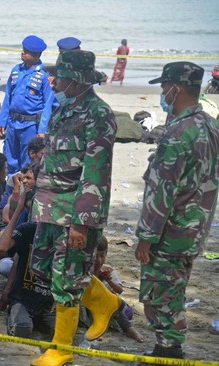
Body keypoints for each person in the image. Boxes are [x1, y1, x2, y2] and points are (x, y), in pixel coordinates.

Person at [29, 50, 120, 366]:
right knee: (41, 267)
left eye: (61, 76)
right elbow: (56, 157)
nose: (54, 81)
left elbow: (95, 171)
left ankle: (62, 348)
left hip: (74, 213)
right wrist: (33, 177)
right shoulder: (62, 111)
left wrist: (82, 222)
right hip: (48, 208)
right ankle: (104, 301)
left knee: (66, 278)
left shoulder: (98, 114)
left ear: (78, 79)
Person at [134, 62, 219, 361]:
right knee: (174, 289)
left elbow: (162, 191)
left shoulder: (177, 133)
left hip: (170, 232)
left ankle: (169, 349)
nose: (161, 93)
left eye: (163, 87)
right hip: (195, 228)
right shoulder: (210, 126)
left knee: (159, 296)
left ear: (176, 88)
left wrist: (146, 237)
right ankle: (169, 346)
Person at [0, 188, 55, 340]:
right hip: (23, 299)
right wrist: (18, 210)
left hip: (49, 302)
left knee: (61, 332)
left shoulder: (62, 235)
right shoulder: (28, 230)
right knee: (22, 329)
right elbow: (2, 248)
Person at [0, 35, 54, 176]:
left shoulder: (44, 75)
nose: (22, 53)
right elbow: (8, 96)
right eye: (23, 50)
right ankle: (10, 188)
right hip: (12, 122)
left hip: (30, 124)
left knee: (27, 160)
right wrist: (1, 120)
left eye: (26, 51)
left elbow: (48, 104)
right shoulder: (16, 70)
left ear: (36, 55)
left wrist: (42, 129)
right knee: (10, 158)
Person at [86, 236, 144, 342]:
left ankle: (129, 329)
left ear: (106, 254)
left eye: (102, 256)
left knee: (114, 306)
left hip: (108, 309)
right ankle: (95, 330)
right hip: (92, 308)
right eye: (95, 257)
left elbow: (120, 291)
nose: (98, 260)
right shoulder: (86, 271)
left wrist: (108, 280)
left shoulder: (108, 271)